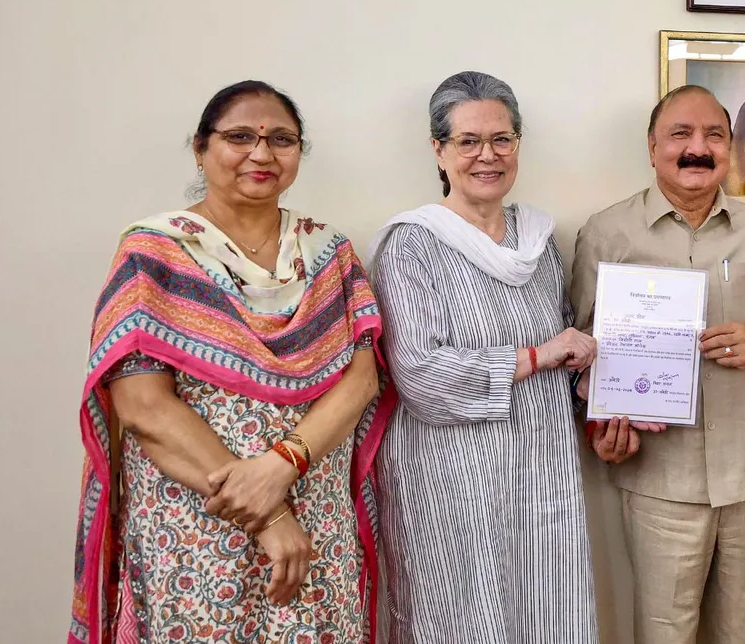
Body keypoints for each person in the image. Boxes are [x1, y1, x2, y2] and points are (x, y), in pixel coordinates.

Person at [69, 80, 395, 644]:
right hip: (195, 522)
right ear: (201, 147)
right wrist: (267, 515)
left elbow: (362, 378)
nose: (262, 153)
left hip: (313, 510)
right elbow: (143, 407)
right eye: (240, 136)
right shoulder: (155, 253)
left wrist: (281, 468)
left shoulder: (328, 252)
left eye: (282, 139)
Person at [569, 84, 745, 644]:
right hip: (658, 477)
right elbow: (580, 356)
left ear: (729, 148)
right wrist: (601, 419)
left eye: (713, 136)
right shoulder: (607, 234)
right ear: (652, 148)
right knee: (663, 632)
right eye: (680, 134)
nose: (697, 148)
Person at [368, 71, 600, 644]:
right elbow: (419, 375)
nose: (487, 155)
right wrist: (541, 355)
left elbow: (569, 343)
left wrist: (598, 387)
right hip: (450, 478)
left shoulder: (540, 241)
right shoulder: (411, 244)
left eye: (502, 139)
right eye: (468, 141)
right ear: (439, 151)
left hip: (543, 469)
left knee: (550, 607)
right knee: (459, 617)